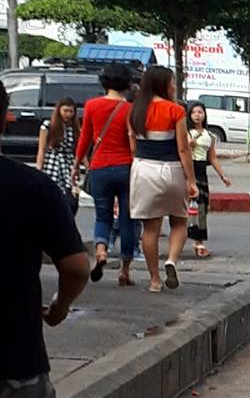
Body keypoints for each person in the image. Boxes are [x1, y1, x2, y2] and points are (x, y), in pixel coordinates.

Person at [0, 80, 91, 398]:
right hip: (15, 352)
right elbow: (76, 266)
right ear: (5, 119)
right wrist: (58, 309)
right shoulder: (31, 190)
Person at [128, 66, 196, 291]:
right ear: (163, 85)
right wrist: (191, 180)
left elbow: (133, 145)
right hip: (171, 169)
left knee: (150, 229)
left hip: (143, 168)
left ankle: (155, 280)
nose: (174, 86)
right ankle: (171, 260)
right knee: (179, 220)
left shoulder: (135, 111)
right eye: (172, 82)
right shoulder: (175, 110)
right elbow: (183, 148)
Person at [73, 61, 139, 286]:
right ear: (127, 83)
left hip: (99, 167)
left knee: (102, 216)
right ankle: (125, 270)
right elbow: (134, 141)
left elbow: (85, 138)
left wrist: (76, 164)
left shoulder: (92, 105)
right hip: (126, 168)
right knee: (128, 219)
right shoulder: (130, 109)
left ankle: (101, 250)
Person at [184, 103, 231, 258]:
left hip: (201, 172)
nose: (197, 115)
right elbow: (181, 153)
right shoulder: (185, 133)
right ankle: (186, 237)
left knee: (202, 206)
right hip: (187, 171)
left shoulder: (208, 136)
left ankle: (198, 240)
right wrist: (189, 147)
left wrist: (223, 175)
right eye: (194, 112)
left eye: (200, 112)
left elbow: (213, 158)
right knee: (188, 206)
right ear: (189, 115)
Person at [35, 96, 81, 203]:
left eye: (71, 111)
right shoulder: (48, 126)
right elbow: (41, 149)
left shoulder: (74, 128)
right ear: (59, 110)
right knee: (51, 193)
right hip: (52, 161)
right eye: (65, 111)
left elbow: (79, 150)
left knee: (71, 197)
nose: (68, 114)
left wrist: (85, 166)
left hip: (68, 162)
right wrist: (39, 169)